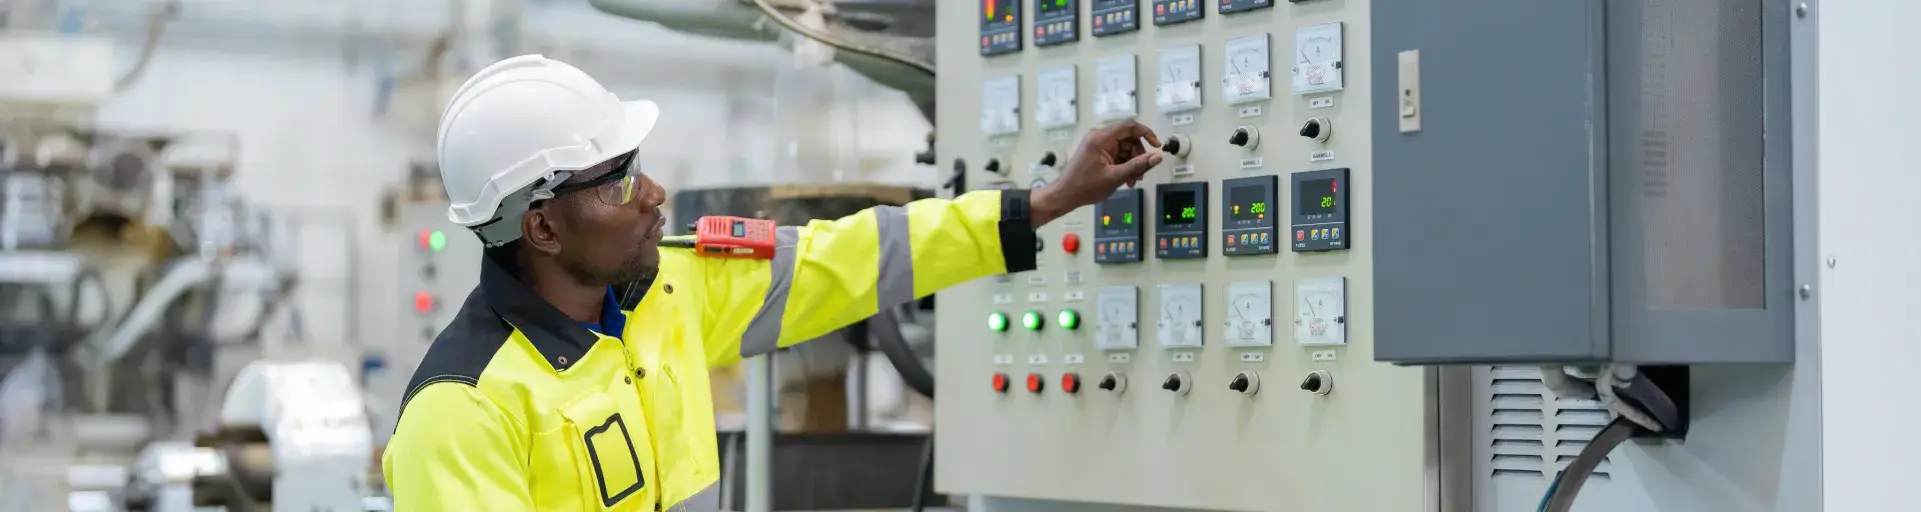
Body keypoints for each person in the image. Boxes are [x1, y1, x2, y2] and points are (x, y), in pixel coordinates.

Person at [381, 54, 1164, 512]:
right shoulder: (462, 412)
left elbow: (858, 256)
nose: (654, 195)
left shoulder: (666, 294)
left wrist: (1046, 202)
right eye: (617, 182)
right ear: (543, 227)